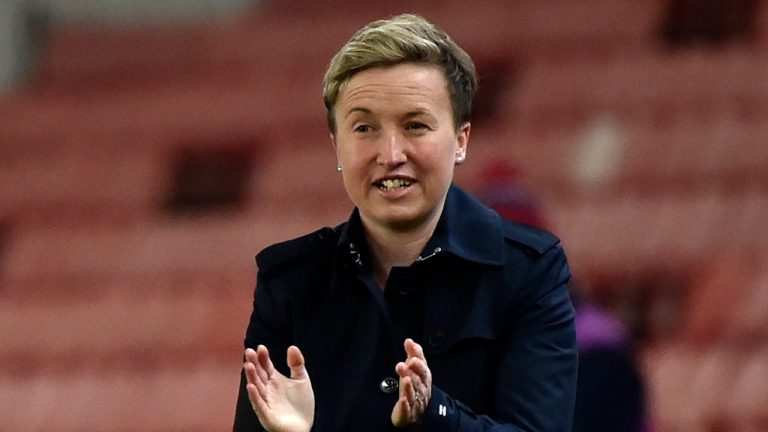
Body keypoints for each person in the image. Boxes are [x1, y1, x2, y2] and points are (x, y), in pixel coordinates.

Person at [233, 13, 577, 431]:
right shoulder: (288, 282)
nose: (390, 153)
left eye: (415, 125)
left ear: (461, 140)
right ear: (336, 148)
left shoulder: (529, 271)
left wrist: (433, 413)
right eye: (364, 128)